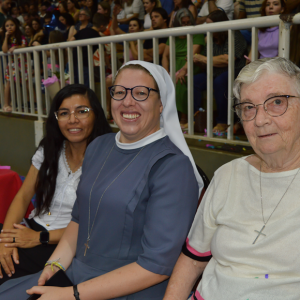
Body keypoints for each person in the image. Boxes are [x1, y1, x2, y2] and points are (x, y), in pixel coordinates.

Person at [0, 60, 203, 300]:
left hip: (128, 288)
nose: (128, 101)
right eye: (119, 92)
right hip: (77, 274)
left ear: (161, 104)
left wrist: (70, 294)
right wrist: (53, 267)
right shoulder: (99, 146)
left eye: (141, 93)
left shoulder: (173, 166)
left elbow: (155, 266)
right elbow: (78, 220)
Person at [163, 57, 300, 300]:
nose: (260, 120)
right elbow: (192, 261)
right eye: (248, 107)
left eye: (277, 102)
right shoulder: (228, 174)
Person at [0, 84, 112, 284]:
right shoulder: (50, 149)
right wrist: (6, 240)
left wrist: (38, 238)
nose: (72, 120)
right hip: (32, 229)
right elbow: (24, 196)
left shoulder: (108, 161)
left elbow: (95, 227)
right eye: (64, 113)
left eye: (82, 111)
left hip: (66, 245)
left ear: (96, 115)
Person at [193, 10, 247, 133]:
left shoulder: (234, 34)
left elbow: (228, 59)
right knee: (194, 80)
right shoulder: (210, 38)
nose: (208, 27)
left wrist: (205, 59)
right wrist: (199, 61)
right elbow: (208, 61)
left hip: (234, 70)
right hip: (214, 71)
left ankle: (223, 121)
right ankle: (197, 117)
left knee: (220, 82)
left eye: (210, 24)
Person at [162, 8, 205, 127]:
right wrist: (165, 72)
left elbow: (193, 55)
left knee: (180, 80)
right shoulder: (173, 35)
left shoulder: (196, 34)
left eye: (188, 23)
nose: (186, 26)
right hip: (174, 66)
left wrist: (184, 70)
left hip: (190, 66)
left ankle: (183, 118)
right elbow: (165, 56)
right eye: (183, 23)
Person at [70, 13, 110, 86]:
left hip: (74, 61)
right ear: (101, 26)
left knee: (76, 84)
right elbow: (104, 53)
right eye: (106, 26)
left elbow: (72, 39)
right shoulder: (97, 36)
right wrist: (108, 65)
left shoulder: (83, 30)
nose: (107, 28)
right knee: (85, 84)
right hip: (85, 63)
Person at [1, 17, 28, 113]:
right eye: (7, 26)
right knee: (9, 83)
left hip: (22, 63)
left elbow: (24, 46)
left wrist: (16, 47)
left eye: (11, 25)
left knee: (23, 82)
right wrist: (6, 37)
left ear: (16, 26)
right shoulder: (7, 38)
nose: (9, 27)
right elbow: (4, 50)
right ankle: (6, 104)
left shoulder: (21, 37)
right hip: (12, 64)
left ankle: (25, 103)